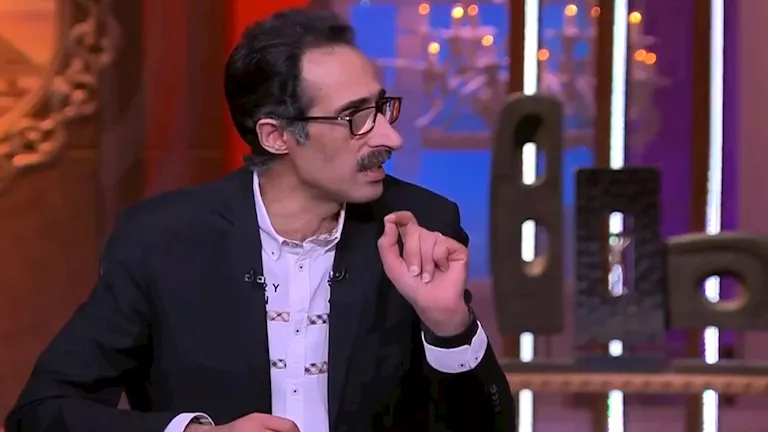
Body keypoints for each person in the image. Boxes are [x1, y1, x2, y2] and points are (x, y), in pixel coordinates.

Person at [4, 8, 515, 432]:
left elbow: (487, 426)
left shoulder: (419, 224)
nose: (390, 136)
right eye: (355, 117)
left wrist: (449, 326)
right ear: (276, 136)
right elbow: (41, 412)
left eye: (382, 108)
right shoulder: (162, 240)